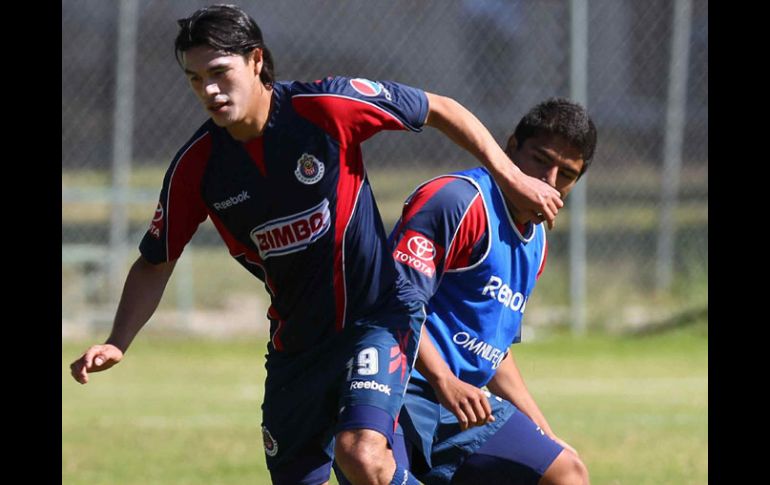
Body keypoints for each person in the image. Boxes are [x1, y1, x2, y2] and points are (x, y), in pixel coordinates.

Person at [68, 5, 564, 485]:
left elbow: (441, 108)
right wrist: (118, 340)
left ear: (256, 60)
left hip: (376, 319)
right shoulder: (198, 166)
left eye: (219, 71)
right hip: (297, 350)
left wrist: (512, 176)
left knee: (361, 455)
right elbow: (156, 262)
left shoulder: (325, 107)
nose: (210, 90)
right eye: (196, 80)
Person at [348, 98, 596, 485]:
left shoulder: (537, 242)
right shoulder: (458, 201)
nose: (549, 180)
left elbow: (492, 349)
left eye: (566, 173)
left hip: (463, 405)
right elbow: (396, 304)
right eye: (540, 160)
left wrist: (545, 431)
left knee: (567, 472)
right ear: (510, 147)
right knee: (370, 463)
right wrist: (445, 380)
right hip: (396, 387)